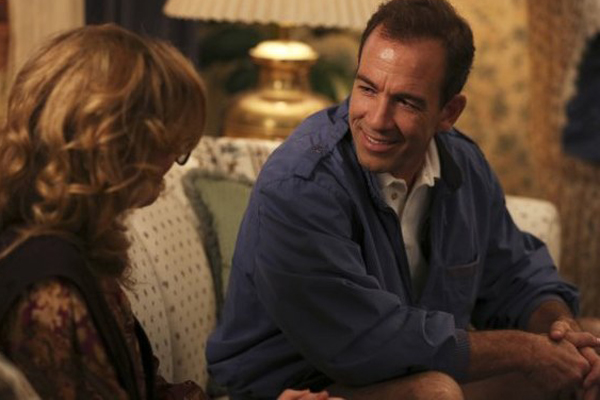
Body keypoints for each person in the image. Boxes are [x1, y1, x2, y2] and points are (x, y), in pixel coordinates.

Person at [206, 0, 600, 399]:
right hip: (294, 386)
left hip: (405, 368)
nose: (377, 119)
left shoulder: (464, 165)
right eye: (367, 88)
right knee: (434, 393)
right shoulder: (299, 186)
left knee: (590, 360)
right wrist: (527, 351)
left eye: (406, 101)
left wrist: (561, 331)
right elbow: (368, 342)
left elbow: (515, 276)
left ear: (449, 112)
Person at [0, 24, 339, 400]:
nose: (177, 160)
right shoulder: (49, 291)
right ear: (114, 141)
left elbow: (151, 391)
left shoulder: (80, 246)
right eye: (172, 141)